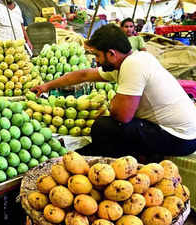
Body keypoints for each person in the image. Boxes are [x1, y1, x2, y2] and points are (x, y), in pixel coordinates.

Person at [31, 24, 196, 158]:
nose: (96, 61)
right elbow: (83, 75)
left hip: (180, 138)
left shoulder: (133, 65)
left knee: (104, 127)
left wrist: (114, 103)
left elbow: (122, 116)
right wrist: (47, 86)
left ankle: (113, 164)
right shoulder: (132, 60)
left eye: (97, 55)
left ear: (111, 54)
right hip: (183, 132)